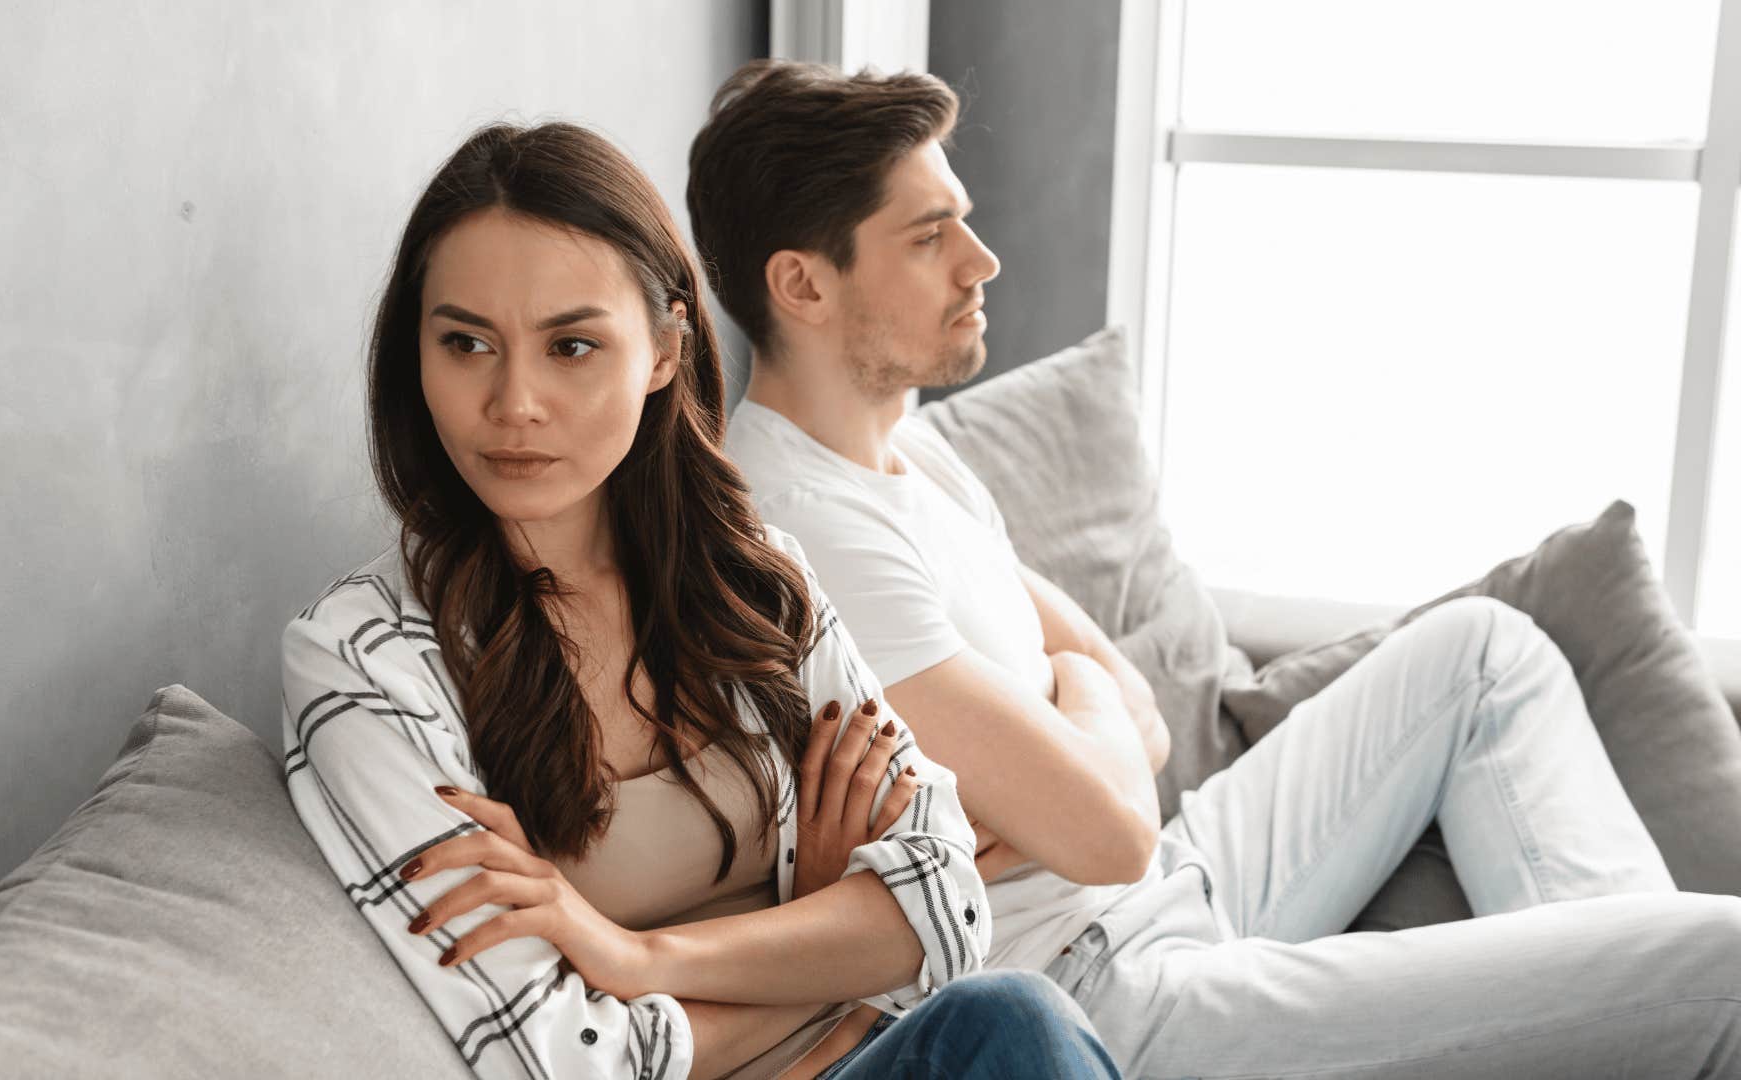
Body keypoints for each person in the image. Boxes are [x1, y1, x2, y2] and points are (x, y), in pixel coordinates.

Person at [690, 58, 1741, 1078]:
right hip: (1095, 989)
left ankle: (1616, 1022)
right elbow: (1106, 827)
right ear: (804, 286)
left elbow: (1119, 695)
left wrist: (1077, 721)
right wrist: (1085, 750)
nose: (981, 258)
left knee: (1485, 654)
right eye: (930, 237)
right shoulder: (806, 533)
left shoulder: (914, 452)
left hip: (1171, 880)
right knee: (1724, 963)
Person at [279, 120, 1122, 1079]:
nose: (514, 402)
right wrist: (821, 937)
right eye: (466, 342)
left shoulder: (755, 575)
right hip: (832, 1037)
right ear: (414, 356)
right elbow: (567, 1056)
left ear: (665, 352)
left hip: (884, 1059)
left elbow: (949, 901)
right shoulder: (366, 659)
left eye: (571, 347)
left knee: (1012, 1016)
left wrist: (629, 953)